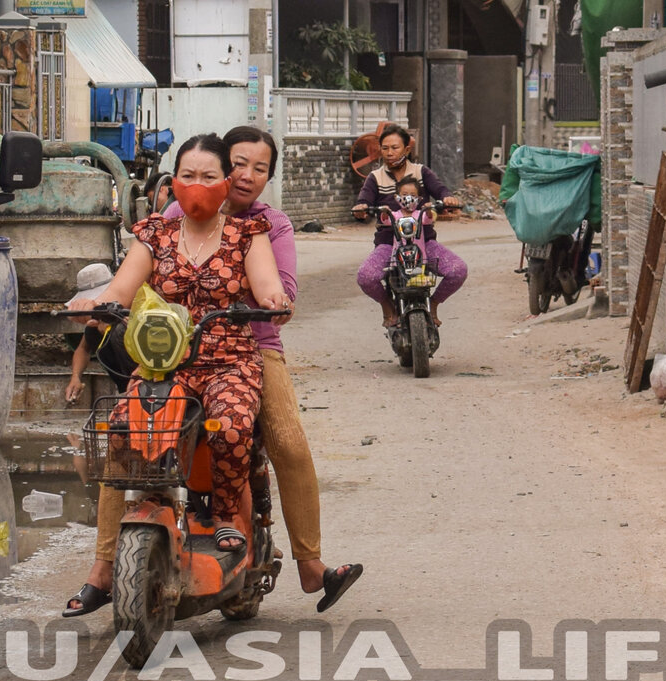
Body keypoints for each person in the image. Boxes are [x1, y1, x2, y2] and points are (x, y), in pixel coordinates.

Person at [63, 126, 362, 618]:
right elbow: (120, 288)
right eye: (190, 174)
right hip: (167, 354)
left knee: (265, 432)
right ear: (175, 179)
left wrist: (273, 301)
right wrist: (93, 304)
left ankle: (305, 559)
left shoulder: (262, 229)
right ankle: (102, 566)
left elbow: (275, 286)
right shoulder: (161, 227)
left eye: (255, 168)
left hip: (244, 348)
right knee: (123, 430)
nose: (244, 175)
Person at [352, 123, 466, 327]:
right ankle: (387, 306)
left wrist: (448, 199)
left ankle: (433, 304)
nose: (389, 153)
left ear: (407, 149)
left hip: (424, 242)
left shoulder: (421, 172)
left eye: (394, 148)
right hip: (388, 244)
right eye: (385, 148)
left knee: (458, 270)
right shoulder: (375, 177)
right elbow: (365, 200)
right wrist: (361, 207)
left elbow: (441, 190)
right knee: (366, 276)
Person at [64, 263, 136, 403]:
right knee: (94, 334)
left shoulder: (131, 308)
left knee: (119, 332)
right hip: (123, 382)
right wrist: (76, 377)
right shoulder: (95, 322)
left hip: (146, 375)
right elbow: (83, 349)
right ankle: (124, 393)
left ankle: (136, 391)